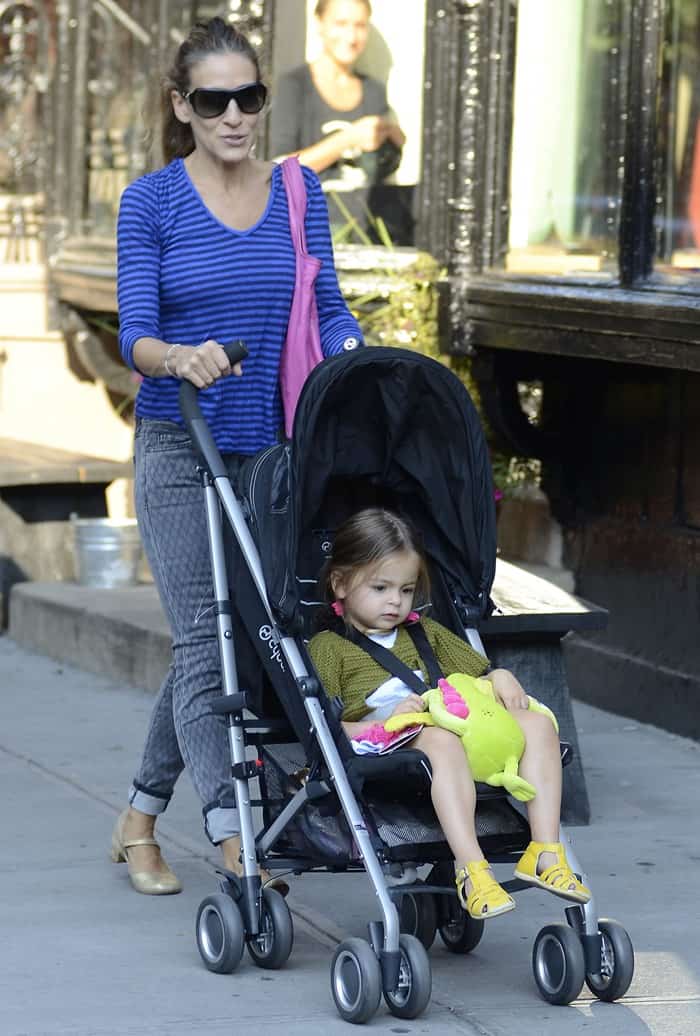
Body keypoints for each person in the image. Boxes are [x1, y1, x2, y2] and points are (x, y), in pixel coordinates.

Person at [112, 16, 363, 895]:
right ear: (182, 107)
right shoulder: (150, 201)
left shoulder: (299, 194)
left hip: (271, 453)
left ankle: (140, 815)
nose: (231, 116)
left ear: (262, 101)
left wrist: (352, 350)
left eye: (247, 97)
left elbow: (327, 305)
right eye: (211, 100)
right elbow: (133, 333)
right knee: (203, 641)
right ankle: (233, 837)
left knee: (230, 640)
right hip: (182, 443)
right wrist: (178, 357)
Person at [307, 508, 591, 920]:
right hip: (391, 739)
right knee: (441, 739)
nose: (395, 601)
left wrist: (501, 675)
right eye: (381, 588)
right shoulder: (329, 648)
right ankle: (472, 868)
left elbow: (479, 672)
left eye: (405, 590)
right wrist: (385, 724)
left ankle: (545, 852)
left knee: (538, 724)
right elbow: (327, 729)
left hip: (458, 725)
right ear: (340, 584)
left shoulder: (424, 632)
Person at [269, 0, 412, 244]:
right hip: (314, 228)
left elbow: (379, 171)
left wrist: (395, 141)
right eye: (341, 23)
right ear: (319, 24)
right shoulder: (295, 85)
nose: (351, 36)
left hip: (369, 228)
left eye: (359, 25)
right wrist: (348, 138)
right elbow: (280, 171)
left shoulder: (373, 90)